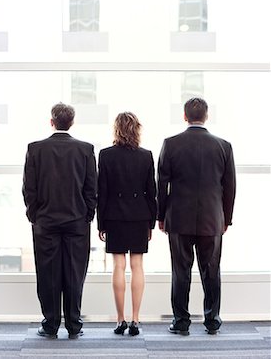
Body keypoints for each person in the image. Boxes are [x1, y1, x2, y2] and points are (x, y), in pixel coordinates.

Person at [158, 97, 236, 336]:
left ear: (184, 116)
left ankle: (181, 321)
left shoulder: (171, 144)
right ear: (206, 116)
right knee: (211, 269)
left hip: (178, 218)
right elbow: (230, 187)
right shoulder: (223, 146)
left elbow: (161, 185)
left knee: (180, 270)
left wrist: (161, 216)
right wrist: (226, 218)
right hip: (212, 219)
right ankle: (212, 320)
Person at [22, 103, 97, 339]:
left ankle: (51, 324)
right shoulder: (85, 149)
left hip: (45, 222)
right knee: (75, 273)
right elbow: (91, 188)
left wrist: (34, 215)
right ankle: (74, 324)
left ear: (51, 121)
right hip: (77, 221)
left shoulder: (35, 149)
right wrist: (88, 215)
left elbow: (28, 189)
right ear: (71, 122)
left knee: (48, 274)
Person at [97, 112, 157, 336]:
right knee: (138, 265)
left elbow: (101, 192)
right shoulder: (146, 156)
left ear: (116, 129)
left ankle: (120, 319)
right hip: (140, 215)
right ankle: (136, 319)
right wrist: (151, 222)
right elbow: (152, 192)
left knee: (119, 266)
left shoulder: (105, 155)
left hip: (114, 216)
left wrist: (101, 223)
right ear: (136, 129)